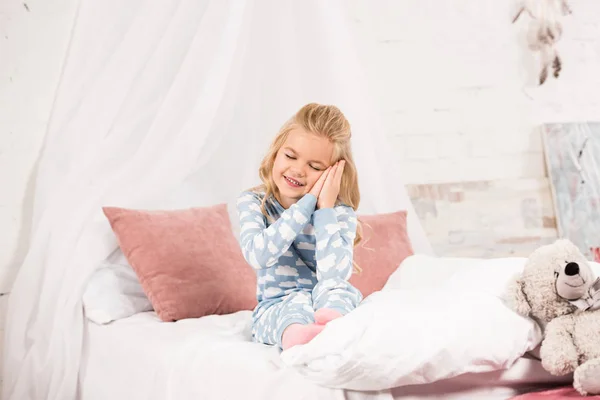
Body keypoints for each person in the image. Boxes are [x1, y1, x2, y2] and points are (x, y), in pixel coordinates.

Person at [236, 103, 363, 350]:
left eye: (315, 167)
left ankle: (332, 329)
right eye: (290, 156)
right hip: (277, 305)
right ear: (276, 153)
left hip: (324, 302)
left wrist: (324, 210)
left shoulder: (338, 214)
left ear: (333, 174)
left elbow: (334, 276)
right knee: (291, 307)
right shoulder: (253, 202)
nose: (297, 170)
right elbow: (258, 255)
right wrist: (305, 205)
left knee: (341, 294)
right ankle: (301, 336)